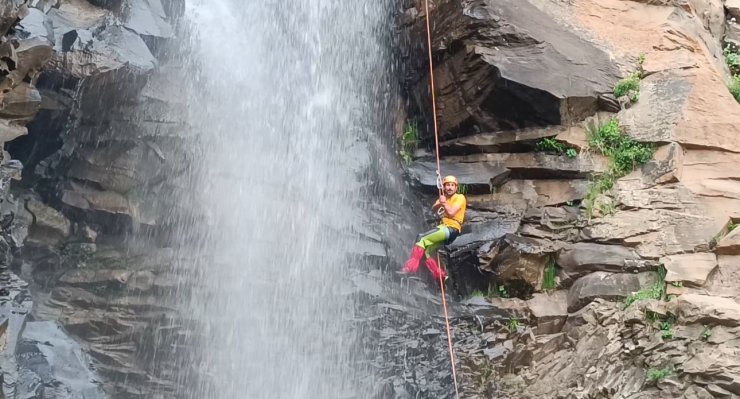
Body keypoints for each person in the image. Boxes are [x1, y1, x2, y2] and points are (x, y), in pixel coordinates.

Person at [402, 175, 467, 281]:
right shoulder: (443, 197)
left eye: (452, 185)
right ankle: (440, 275)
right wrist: (440, 203)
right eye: (447, 185)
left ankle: (410, 269)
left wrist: (444, 203)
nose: (450, 188)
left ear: (456, 187)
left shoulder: (460, 197)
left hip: (450, 228)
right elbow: (433, 209)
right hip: (446, 230)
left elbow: (451, 213)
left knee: (421, 238)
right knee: (425, 251)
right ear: (444, 187)